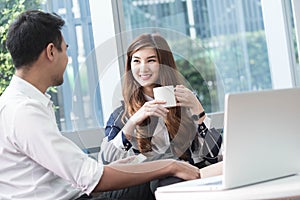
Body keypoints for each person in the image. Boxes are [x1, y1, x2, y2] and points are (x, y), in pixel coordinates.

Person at [0, 10, 203, 200]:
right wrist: (169, 166)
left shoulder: (21, 103)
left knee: (161, 175)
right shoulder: (23, 111)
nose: (68, 59)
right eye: (66, 50)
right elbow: (92, 178)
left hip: (78, 192)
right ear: (51, 52)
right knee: (164, 178)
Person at [98, 33, 223, 199]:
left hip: (180, 181)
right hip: (139, 187)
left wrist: (198, 111)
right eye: (136, 61)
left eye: (151, 60)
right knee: (167, 177)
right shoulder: (121, 115)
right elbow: (105, 164)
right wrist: (133, 122)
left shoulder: (184, 106)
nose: (143, 68)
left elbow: (214, 156)